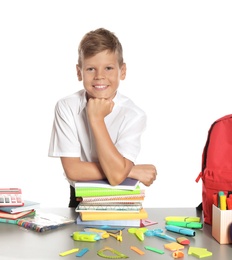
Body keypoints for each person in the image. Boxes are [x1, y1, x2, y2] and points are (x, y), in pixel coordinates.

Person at [48, 28, 157, 207]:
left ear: (122, 71)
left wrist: (96, 119)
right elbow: (73, 170)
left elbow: (115, 178)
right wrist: (130, 170)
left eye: (108, 68)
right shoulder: (66, 106)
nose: (100, 76)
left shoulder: (134, 114)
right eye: (91, 69)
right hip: (80, 196)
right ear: (79, 72)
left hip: (120, 196)